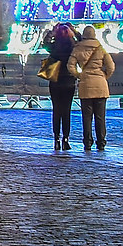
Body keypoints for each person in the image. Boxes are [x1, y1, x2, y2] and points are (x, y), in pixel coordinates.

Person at [70, 23, 115, 152]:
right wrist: (104, 76)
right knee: (100, 117)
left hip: (86, 84)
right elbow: (111, 66)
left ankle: (87, 142)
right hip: (100, 84)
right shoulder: (100, 48)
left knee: (87, 116)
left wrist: (79, 75)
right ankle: (101, 142)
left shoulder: (78, 49)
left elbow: (70, 66)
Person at [43, 21, 79, 151]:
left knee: (56, 110)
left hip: (55, 81)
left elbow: (45, 43)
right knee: (66, 111)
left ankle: (56, 139)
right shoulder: (73, 46)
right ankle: (66, 139)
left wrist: (52, 31)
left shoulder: (54, 46)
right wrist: (74, 30)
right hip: (69, 81)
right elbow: (81, 40)